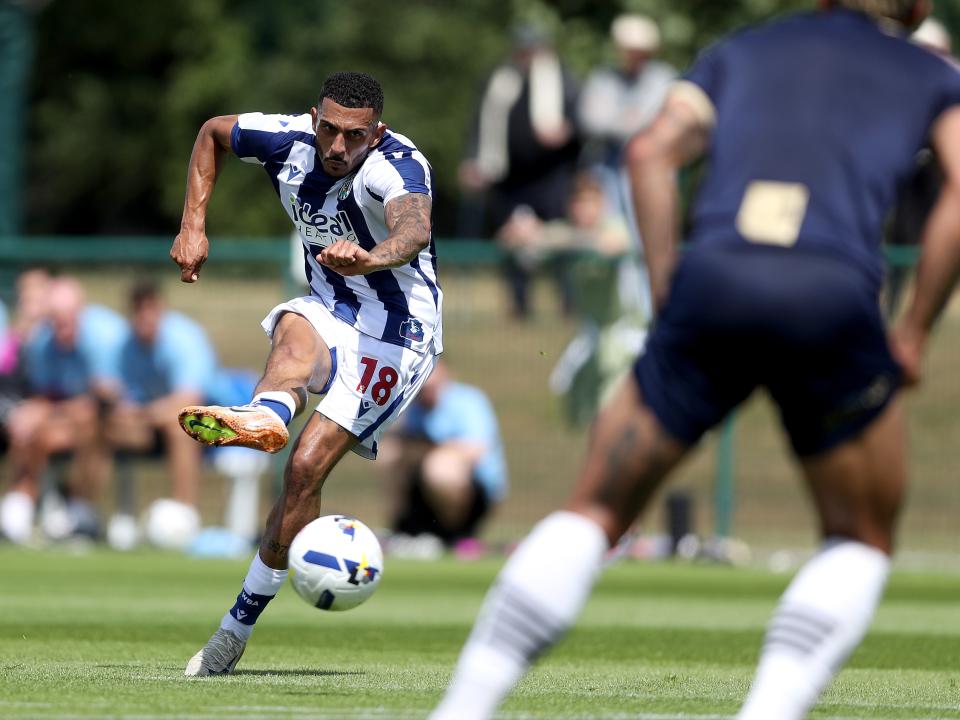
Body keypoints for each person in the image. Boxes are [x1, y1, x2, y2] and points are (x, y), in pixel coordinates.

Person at [431, 2, 960, 719]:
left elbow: (650, 154)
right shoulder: (925, 72)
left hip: (715, 281)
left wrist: (666, 293)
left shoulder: (744, 50)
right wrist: (915, 329)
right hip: (828, 294)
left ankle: (461, 709)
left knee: (592, 511)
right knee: (860, 539)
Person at [169, 71, 441, 676]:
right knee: (295, 323)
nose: (338, 146)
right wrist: (194, 222)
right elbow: (212, 133)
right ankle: (266, 415)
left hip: (398, 334)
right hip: (332, 307)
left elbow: (414, 229)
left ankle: (232, 633)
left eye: (354, 135)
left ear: (378, 132)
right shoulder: (283, 139)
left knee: (304, 470)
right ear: (312, 117)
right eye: (328, 130)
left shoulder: (396, 166)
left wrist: (371, 256)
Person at [459, 24, 581, 318]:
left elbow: (580, 122)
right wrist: (474, 159)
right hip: (507, 178)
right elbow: (479, 123)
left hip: (551, 176)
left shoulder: (564, 79)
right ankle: (519, 305)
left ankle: (567, 303)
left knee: (558, 239)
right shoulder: (499, 79)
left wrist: (568, 131)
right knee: (510, 241)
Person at [1, 276, 128, 543]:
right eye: (54, 321)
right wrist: (32, 414)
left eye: (66, 320)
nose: (60, 329)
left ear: (80, 312)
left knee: (84, 420)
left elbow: (103, 399)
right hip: (66, 418)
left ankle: (78, 507)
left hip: (119, 418)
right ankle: (22, 502)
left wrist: (46, 411)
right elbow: (46, 395)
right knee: (29, 427)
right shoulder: (42, 342)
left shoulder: (103, 337)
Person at [106, 281, 220, 523]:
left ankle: (185, 515)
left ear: (161, 308)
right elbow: (123, 399)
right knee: (101, 426)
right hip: (154, 423)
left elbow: (190, 402)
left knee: (179, 426)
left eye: (150, 309)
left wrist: (141, 415)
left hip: (220, 423)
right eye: (138, 310)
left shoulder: (184, 337)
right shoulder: (127, 347)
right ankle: (94, 514)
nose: (144, 316)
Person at [379, 360, 506, 551]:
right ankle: (405, 527)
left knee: (440, 466)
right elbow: (398, 440)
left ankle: (455, 534)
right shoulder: (414, 405)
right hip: (424, 488)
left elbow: (477, 449)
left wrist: (434, 450)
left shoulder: (468, 400)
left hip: (473, 491)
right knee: (388, 453)